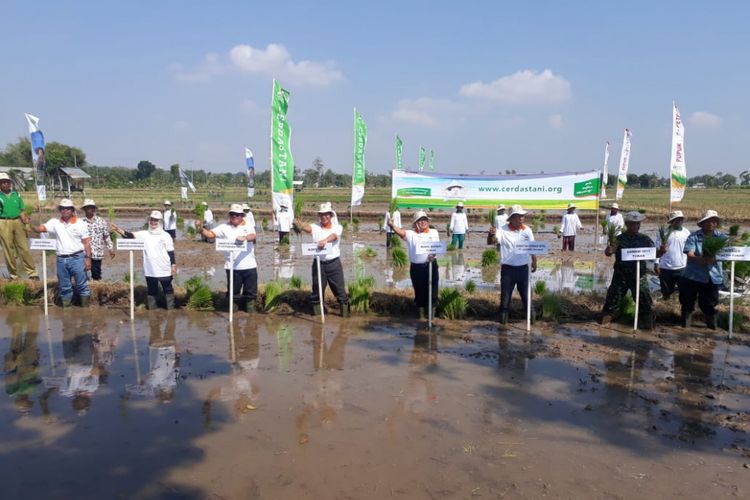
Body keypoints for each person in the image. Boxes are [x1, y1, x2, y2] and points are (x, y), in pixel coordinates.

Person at [30, 199, 92, 307]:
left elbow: (86, 243)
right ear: (60, 210)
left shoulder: (81, 223)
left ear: (72, 210)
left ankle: (85, 310)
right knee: (64, 286)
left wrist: (88, 259)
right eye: (63, 208)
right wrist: (30, 224)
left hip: (77, 257)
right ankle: (66, 312)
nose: (65, 210)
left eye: (68, 208)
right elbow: (41, 228)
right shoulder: (54, 223)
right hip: (61, 260)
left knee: (82, 285)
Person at [111, 210, 176, 310]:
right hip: (150, 270)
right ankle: (153, 313)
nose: (153, 222)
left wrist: (173, 266)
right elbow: (130, 236)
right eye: (152, 220)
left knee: (168, 289)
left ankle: (171, 312)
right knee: (151, 291)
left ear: (160, 222)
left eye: (156, 220)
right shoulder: (144, 234)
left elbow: (171, 252)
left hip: (164, 269)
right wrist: (118, 230)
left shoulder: (166, 236)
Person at [198, 203, 258, 312]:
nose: (234, 216)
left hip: (249, 266)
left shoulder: (248, 225)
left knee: (251, 293)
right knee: (233, 293)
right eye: (232, 214)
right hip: (232, 267)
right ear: (229, 215)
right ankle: (234, 313)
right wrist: (201, 229)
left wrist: (244, 238)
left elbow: (253, 236)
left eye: (237, 215)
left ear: (242, 216)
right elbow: (211, 234)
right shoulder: (224, 227)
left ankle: (250, 315)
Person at [600, 211, 655, 329]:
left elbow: (654, 254)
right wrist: (609, 250)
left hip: (639, 276)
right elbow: (608, 252)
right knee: (612, 299)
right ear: (627, 224)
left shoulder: (645, 239)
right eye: (633, 223)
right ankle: (605, 324)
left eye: (638, 223)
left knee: (644, 300)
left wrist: (662, 251)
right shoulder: (619, 239)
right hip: (621, 276)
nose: (636, 226)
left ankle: (647, 326)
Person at [294, 202, 349, 317]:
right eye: (322, 214)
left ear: (331, 215)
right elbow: (308, 228)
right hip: (318, 264)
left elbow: (334, 236)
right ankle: (318, 316)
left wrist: (325, 241)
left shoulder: (338, 227)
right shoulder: (315, 227)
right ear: (319, 216)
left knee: (340, 292)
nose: (324, 217)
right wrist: (300, 225)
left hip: (334, 264)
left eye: (326, 214)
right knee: (316, 292)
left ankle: (345, 316)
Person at [679, 210, 727, 329]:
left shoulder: (722, 238)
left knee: (708, 303)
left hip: (713, 276)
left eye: (714, 221)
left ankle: (712, 324)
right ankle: (685, 325)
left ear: (717, 223)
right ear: (703, 223)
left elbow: (725, 253)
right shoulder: (694, 236)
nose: (711, 223)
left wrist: (714, 258)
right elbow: (689, 253)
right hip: (693, 275)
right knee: (687, 302)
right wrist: (699, 259)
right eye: (709, 221)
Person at [389, 210, 440, 319]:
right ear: (415, 223)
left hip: (431, 266)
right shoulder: (411, 234)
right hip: (417, 268)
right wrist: (392, 225)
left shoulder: (434, 232)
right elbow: (401, 232)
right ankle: (421, 317)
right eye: (420, 220)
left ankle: (432, 318)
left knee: (433, 292)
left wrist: (433, 255)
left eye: (424, 220)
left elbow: (437, 247)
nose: (423, 222)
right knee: (419, 292)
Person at [497, 205, 537, 324]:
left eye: (523, 216)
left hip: (524, 269)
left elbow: (532, 246)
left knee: (527, 297)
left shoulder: (527, 230)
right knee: (505, 298)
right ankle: (503, 325)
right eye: (519, 216)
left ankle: (532, 322)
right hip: (508, 270)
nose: (522, 218)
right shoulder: (502, 230)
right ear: (512, 218)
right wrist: (490, 235)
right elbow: (492, 241)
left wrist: (534, 261)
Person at [0, 172, 38, 280]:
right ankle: (13, 275)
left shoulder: (16, 194)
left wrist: (26, 221)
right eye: (2, 182)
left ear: (10, 183)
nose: (5, 184)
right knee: (8, 249)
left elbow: (22, 210)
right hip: (3, 222)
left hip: (17, 221)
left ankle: (33, 273)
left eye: (7, 182)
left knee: (24, 248)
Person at [654, 210, 691, 300]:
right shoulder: (664, 233)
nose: (679, 221)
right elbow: (656, 249)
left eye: (680, 219)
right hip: (665, 268)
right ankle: (666, 308)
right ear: (671, 221)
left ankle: (683, 309)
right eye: (676, 219)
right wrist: (656, 263)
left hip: (682, 267)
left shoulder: (686, 233)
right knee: (666, 291)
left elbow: (690, 249)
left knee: (684, 291)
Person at [81, 199, 114, 281]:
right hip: (83, 253)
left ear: (94, 209)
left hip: (97, 252)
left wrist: (110, 248)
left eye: (91, 207)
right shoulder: (80, 222)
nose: (89, 209)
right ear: (84, 209)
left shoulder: (101, 221)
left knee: (96, 274)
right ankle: (84, 291)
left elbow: (106, 236)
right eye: (87, 207)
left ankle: (97, 290)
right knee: (82, 274)